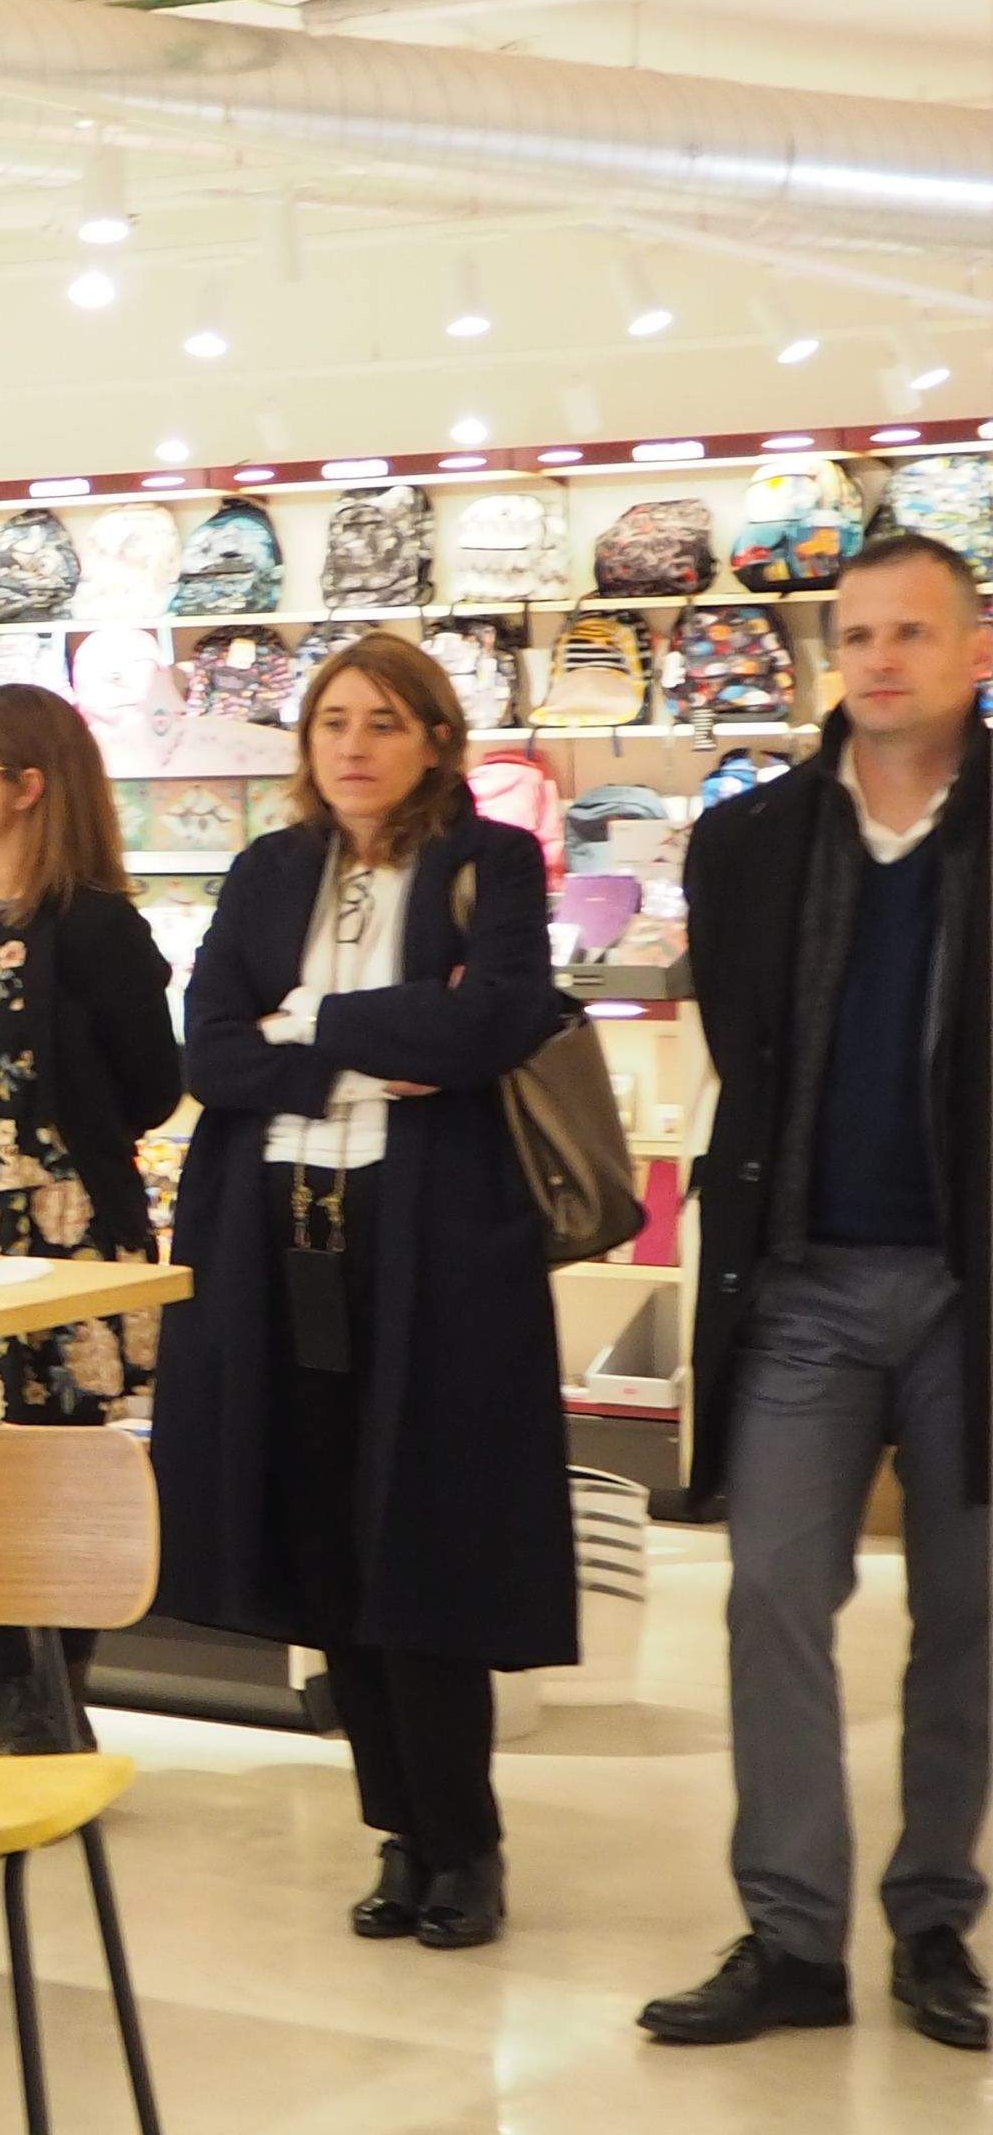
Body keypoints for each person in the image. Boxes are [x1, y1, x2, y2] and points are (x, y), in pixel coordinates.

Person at [154, 634, 573, 1955]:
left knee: (424, 1537)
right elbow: (210, 1055)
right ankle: (398, 1831)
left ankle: (465, 1842)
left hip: (432, 1242)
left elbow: (494, 1023)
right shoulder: (270, 868)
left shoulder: (490, 863)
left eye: (384, 722)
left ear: (436, 740)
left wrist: (312, 1022)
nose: (353, 745)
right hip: (278, 1232)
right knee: (324, 1539)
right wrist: (379, 1036)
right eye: (334, 721)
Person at [638, 532, 988, 2052]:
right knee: (773, 1595)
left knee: (970, 1618)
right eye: (857, 635)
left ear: (976, 651)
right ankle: (791, 1939)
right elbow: (751, 1045)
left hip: (974, 1291)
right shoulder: (753, 841)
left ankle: (934, 1921)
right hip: (803, 1285)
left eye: (912, 632)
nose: (881, 660)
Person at [0, 685, 184, 1753]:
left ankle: (51, 1712)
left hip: (62, 1237)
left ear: (29, 786)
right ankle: (16, 1706)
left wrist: (43, 1150)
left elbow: (153, 1088)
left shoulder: (98, 926)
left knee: (54, 1473)